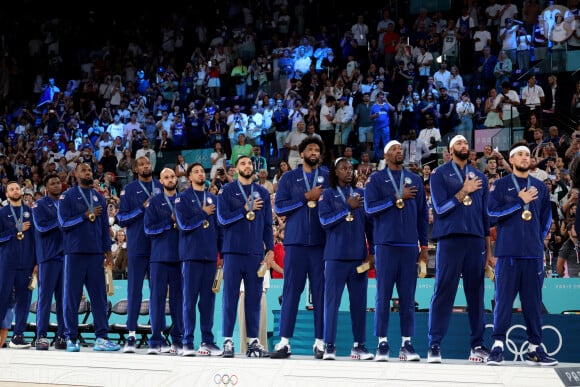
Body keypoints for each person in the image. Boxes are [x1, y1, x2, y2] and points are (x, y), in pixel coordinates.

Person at [486, 142, 558, 366]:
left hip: (533, 254)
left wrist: (538, 240)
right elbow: (491, 214)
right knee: (503, 301)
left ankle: (535, 348)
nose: (526, 158)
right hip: (507, 253)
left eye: (528, 155)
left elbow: (547, 218)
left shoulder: (541, 187)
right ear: (512, 159)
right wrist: (520, 201)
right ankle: (497, 347)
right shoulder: (501, 185)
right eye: (520, 155)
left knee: (533, 303)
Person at [427, 135, 492, 364]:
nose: (464, 146)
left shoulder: (481, 177)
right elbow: (440, 209)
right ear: (450, 150)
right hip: (450, 240)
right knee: (444, 292)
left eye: (466, 143)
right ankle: (434, 345)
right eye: (459, 143)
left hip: (475, 241)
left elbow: (485, 217)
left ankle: (477, 345)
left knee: (477, 295)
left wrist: (489, 250)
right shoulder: (439, 174)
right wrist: (464, 190)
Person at [364, 141, 429, 361]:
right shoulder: (376, 179)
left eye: (401, 149)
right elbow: (370, 209)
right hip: (385, 245)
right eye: (394, 149)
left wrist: (424, 247)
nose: (399, 151)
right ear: (385, 155)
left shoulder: (416, 180)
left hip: (409, 246)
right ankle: (382, 342)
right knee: (383, 295)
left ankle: (407, 344)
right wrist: (395, 197)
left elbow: (422, 216)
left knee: (408, 298)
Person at [271, 137, 329, 359]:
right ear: (302, 153)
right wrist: (307, 197)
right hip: (295, 243)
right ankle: (284, 342)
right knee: (291, 293)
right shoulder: (289, 178)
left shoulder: (327, 177)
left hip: (320, 244)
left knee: (320, 294)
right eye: (310, 149)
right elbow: (280, 206)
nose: (314, 152)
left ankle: (320, 342)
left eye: (317, 149)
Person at [57, 163, 120, 352]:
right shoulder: (67, 196)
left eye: (89, 170)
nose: (88, 172)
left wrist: (108, 252)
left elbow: (103, 229)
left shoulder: (99, 197)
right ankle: (71, 338)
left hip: (95, 254)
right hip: (74, 253)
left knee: (99, 297)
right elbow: (63, 223)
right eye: (83, 170)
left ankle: (101, 337)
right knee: (72, 298)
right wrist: (85, 216)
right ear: (75, 174)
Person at [217, 155, 274, 358]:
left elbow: (268, 224)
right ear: (236, 168)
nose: (247, 166)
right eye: (243, 163)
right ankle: (228, 342)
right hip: (232, 252)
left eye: (249, 163)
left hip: (255, 254)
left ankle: (253, 343)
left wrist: (271, 250)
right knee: (230, 298)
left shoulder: (263, 192)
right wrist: (244, 209)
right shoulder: (226, 191)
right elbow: (222, 219)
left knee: (254, 299)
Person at [317, 157, 374, 360]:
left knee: (359, 304)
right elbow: (324, 221)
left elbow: (370, 226)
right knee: (331, 303)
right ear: (335, 172)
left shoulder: (361, 194)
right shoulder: (327, 195)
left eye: (351, 168)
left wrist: (373, 251)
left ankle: (359, 345)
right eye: (344, 168)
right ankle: (329, 345)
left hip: (358, 258)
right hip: (335, 258)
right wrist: (346, 208)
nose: (349, 171)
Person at [175, 163, 223, 357]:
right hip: (191, 256)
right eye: (196, 171)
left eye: (202, 171)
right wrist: (203, 213)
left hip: (210, 256)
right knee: (189, 300)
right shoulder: (182, 198)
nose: (200, 174)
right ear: (189, 177)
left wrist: (221, 254)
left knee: (208, 302)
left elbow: (219, 229)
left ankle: (207, 341)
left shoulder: (213, 199)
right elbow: (183, 225)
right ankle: (187, 342)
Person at [117, 156, 162, 353]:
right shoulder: (129, 190)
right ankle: (131, 335)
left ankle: (156, 336)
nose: (146, 166)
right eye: (142, 164)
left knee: (157, 292)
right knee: (134, 291)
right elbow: (121, 218)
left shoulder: (161, 186)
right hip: (137, 246)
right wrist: (141, 209)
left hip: (159, 246)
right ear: (136, 169)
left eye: (148, 164)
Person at [143, 167, 184, 355]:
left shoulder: (183, 201)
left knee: (178, 302)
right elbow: (148, 229)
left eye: (172, 177)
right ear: (161, 181)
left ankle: (177, 341)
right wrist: (169, 222)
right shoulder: (154, 202)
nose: (170, 179)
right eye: (166, 177)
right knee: (157, 300)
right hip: (158, 258)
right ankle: (155, 340)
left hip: (180, 258)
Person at [32, 173, 67, 350]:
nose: (56, 185)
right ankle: (41, 336)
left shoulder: (65, 203)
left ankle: (61, 336)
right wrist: (62, 220)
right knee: (45, 298)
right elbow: (42, 227)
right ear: (46, 187)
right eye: (52, 183)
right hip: (48, 257)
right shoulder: (39, 205)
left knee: (63, 300)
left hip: (65, 258)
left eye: (58, 182)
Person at [0, 181, 36, 349]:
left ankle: (18, 336)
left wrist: (37, 263)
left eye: (17, 188)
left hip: (27, 263)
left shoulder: (30, 212)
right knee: (2, 298)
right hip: (6, 263)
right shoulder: (2, 213)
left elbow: (37, 240)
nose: (15, 191)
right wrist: (16, 229)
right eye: (11, 189)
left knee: (24, 300)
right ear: (7, 194)